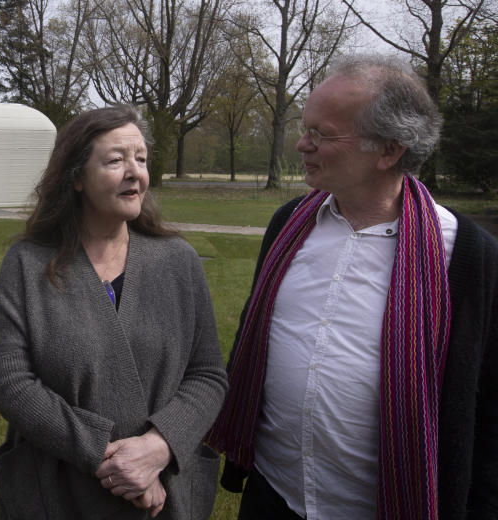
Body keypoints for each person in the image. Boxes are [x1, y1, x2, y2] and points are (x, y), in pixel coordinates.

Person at [206, 56, 498, 520]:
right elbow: (249, 338)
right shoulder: (288, 224)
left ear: (388, 150)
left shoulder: (465, 256)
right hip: (273, 495)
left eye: (322, 134)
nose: (302, 144)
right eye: (305, 129)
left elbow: (484, 419)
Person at [0, 105, 228, 519]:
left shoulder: (178, 261)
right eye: (116, 160)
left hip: (164, 495)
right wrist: (111, 458)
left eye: (141, 159)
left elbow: (207, 375)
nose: (135, 171)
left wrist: (157, 448)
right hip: (59, 493)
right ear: (77, 176)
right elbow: (12, 383)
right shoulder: (27, 264)